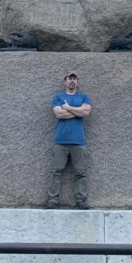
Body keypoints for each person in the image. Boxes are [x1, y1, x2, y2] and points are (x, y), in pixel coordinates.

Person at [46, 71, 92, 209]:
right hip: (61, 141)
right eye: (69, 79)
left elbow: (87, 112)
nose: (72, 81)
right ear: (65, 82)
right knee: (56, 171)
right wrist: (78, 112)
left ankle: (81, 200)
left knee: (81, 172)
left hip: (79, 141)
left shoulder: (84, 97)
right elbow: (59, 114)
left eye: (74, 78)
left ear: (77, 82)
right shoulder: (58, 97)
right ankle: (52, 200)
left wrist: (68, 108)